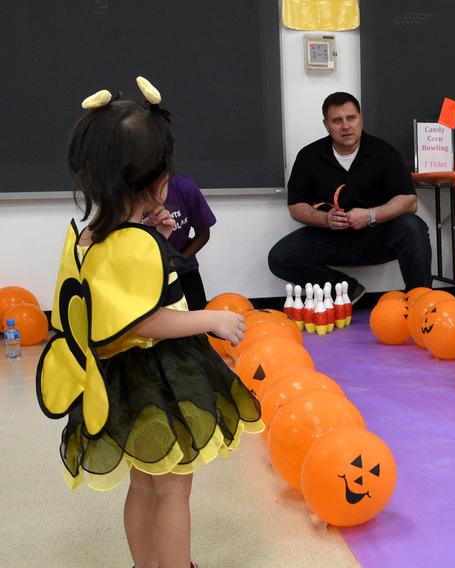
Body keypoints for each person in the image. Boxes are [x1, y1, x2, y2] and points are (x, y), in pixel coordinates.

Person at [36, 79, 263, 568]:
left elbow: (116, 297)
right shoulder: (128, 243)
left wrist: (151, 236)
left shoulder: (93, 235)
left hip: (121, 384)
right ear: (153, 178)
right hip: (160, 379)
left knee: (143, 484)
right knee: (175, 492)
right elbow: (148, 319)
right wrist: (213, 318)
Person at [268, 92, 432, 302]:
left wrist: (370, 215)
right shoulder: (309, 156)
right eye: (337, 120)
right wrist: (325, 219)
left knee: (413, 226)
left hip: (377, 236)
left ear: (361, 118)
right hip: (330, 237)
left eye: (351, 118)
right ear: (326, 125)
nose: (345, 126)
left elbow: (409, 202)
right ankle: (346, 290)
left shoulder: (384, 153)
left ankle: (421, 301)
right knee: (280, 258)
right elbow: (296, 206)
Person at [164, 173, 217, 310]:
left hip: (183, 268)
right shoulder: (128, 195)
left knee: (197, 319)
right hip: (147, 273)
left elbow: (203, 234)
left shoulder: (185, 187)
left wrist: (177, 262)